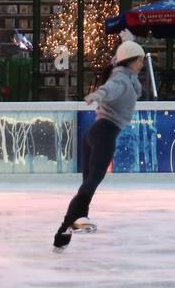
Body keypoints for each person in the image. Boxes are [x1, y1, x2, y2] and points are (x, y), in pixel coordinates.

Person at [52, 39, 145, 249]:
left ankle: (64, 233)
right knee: (91, 182)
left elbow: (134, 87)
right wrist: (97, 94)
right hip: (104, 133)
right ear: (131, 61)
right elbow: (110, 89)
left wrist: (128, 43)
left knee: (88, 184)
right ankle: (75, 219)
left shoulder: (125, 76)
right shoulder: (121, 80)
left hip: (96, 132)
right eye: (140, 60)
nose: (142, 64)